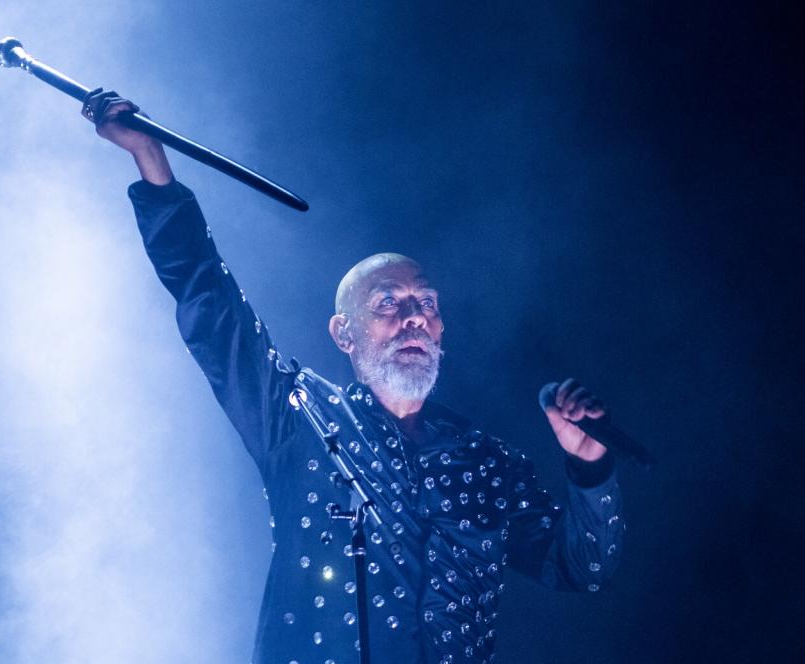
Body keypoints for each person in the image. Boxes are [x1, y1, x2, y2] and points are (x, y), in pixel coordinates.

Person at [82, 89, 624, 664]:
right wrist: (151, 161)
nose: (415, 314)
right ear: (344, 334)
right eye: (389, 302)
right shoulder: (298, 415)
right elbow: (208, 301)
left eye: (427, 303)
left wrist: (591, 467)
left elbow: (583, 570)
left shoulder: (488, 461)